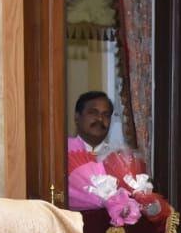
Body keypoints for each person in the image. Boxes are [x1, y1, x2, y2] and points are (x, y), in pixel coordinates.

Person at [66, 91, 166, 224]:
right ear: (77, 117)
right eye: (93, 113)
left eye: (106, 115)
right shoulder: (61, 154)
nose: (100, 119)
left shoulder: (122, 157)